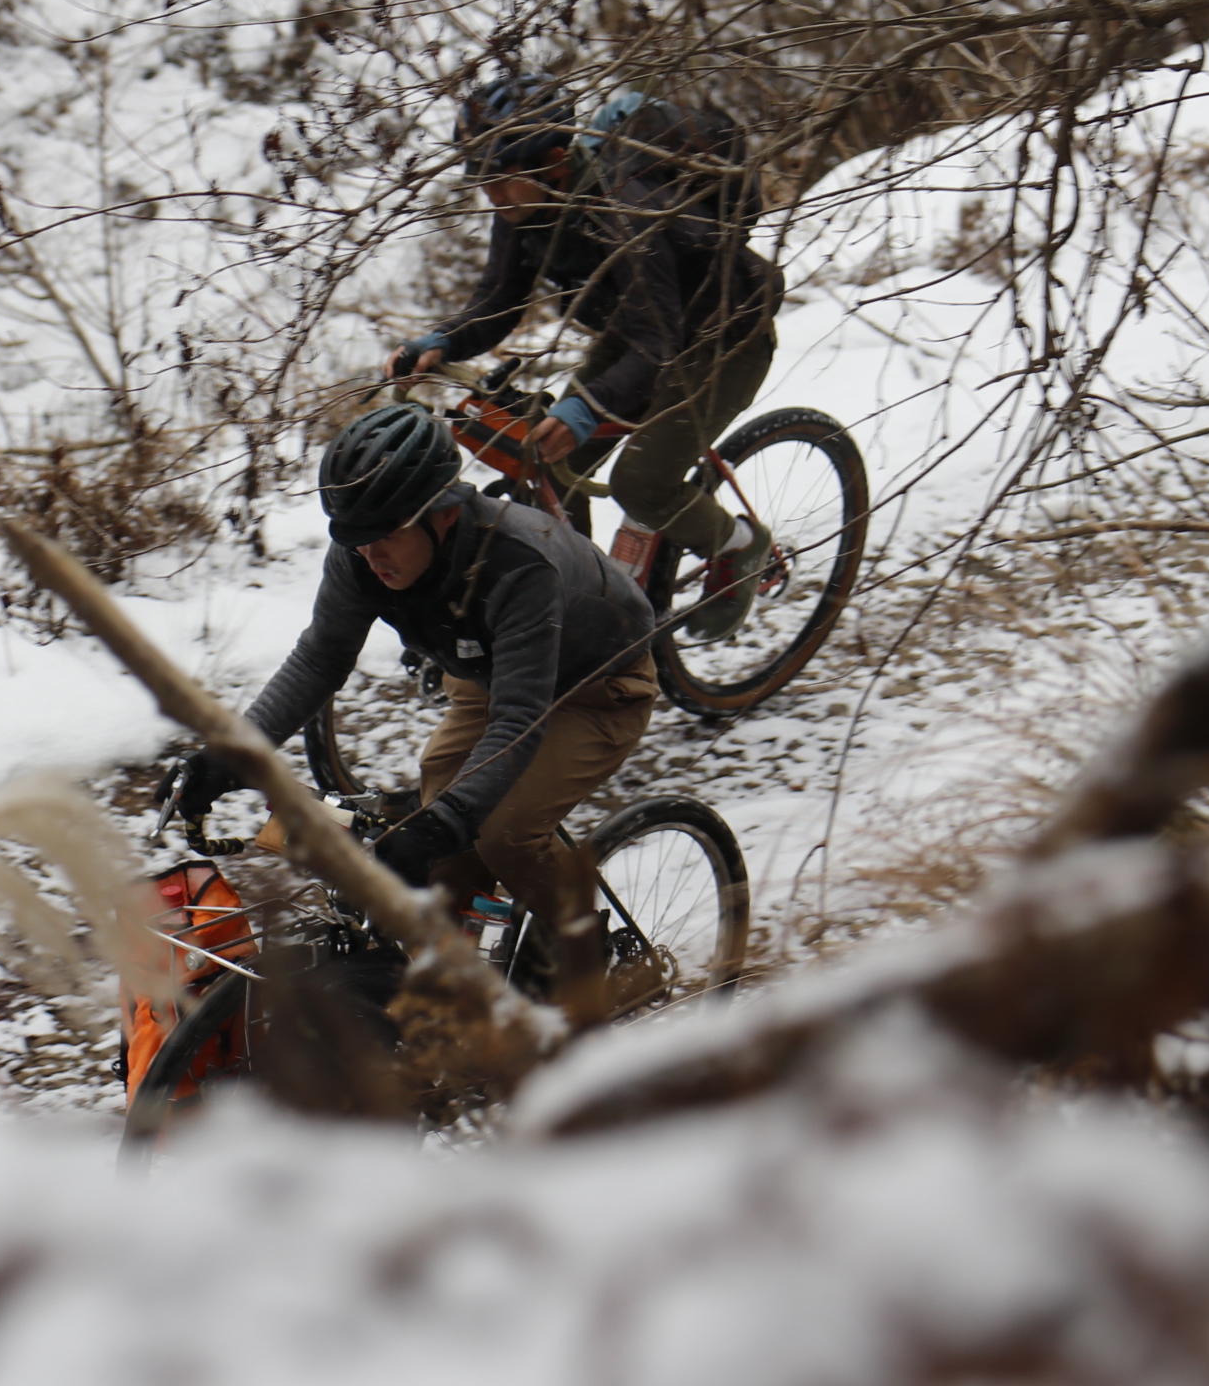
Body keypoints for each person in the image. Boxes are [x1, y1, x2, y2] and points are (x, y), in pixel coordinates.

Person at [158, 403, 658, 941]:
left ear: (445, 513)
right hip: (491, 669)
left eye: (388, 534)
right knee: (440, 829)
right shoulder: (361, 552)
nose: (370, 554)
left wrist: (450, 819)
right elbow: (319, 660)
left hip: (598, 685)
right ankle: (465, 957)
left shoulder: (518, 565)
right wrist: (228, 757)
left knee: (501, 833)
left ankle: (590, 953)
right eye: (356, 535)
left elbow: (519, 720)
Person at [388, 72, 783, 641]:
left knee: (642, 483)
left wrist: (586, 407)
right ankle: (586, 599)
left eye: (500, 178)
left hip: (725, 338)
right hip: (641, 331)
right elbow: (499, 300)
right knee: (546, 460)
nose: (491, 195)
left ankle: (739, 546)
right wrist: (441, 341)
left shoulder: (626, 206)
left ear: (554, 160)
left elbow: (659, 346)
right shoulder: (523, 208)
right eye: (482, 179)